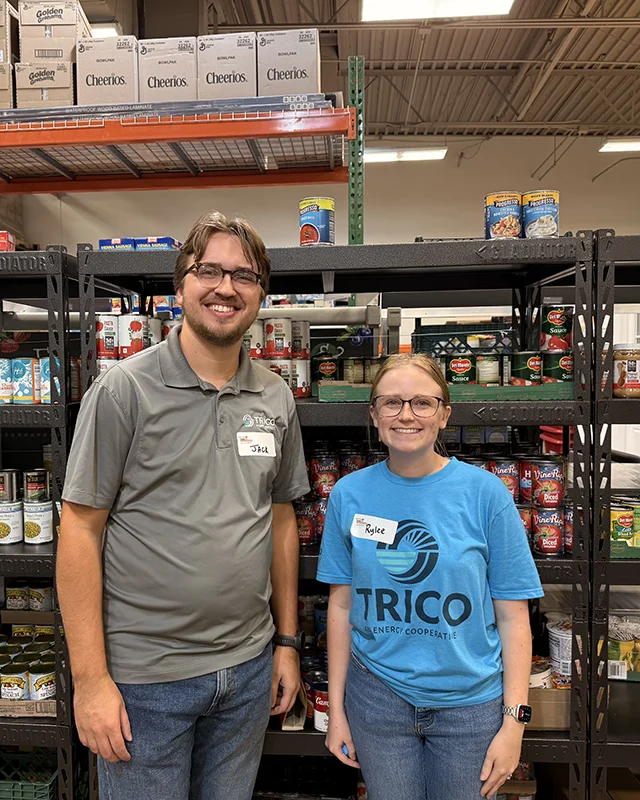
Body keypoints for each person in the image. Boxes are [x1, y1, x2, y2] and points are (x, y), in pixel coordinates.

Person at [58, 211, 310, 800]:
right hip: (145, 681)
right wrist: (91, 680)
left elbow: (279, 521)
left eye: (244, 276)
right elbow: (79, 529)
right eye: (209, 271)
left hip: (247, 672)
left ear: (260, 295)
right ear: (181, 287)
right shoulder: (124, 390)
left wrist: (288, 644)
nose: (226, 288)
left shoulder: (273, 394)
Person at [317, 353, 543, 800]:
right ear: (374, 416)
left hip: (470, 704)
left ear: (444, 414)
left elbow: (514, 617)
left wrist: (514, 722)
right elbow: (341, 606)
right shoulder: (349, 494)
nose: (406, 415)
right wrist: (337, 710)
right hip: (376, 699)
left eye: (422, 402)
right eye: (391, 403)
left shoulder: (486, 494)